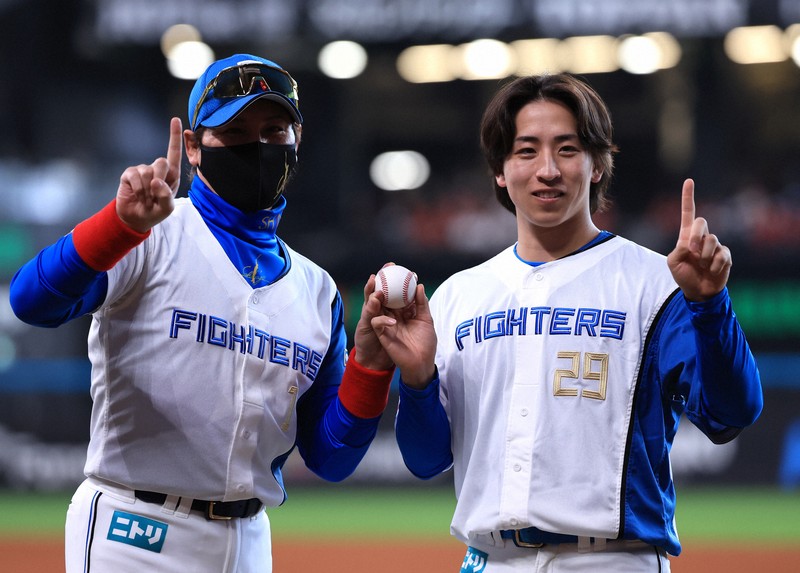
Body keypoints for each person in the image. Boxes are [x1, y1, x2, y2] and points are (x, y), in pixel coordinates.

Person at [9, 54, 396, 572]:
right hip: (134, 532)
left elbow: (331, 457)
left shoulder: (317, 290)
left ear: (296, 141)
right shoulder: (149, 235)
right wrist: (119, 225)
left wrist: (369, 365)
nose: (257, 145)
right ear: (193, 146)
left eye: (274, 128)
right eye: (234, 129)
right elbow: (32, 300)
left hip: (249, 541)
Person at [369, 74, 764, 571]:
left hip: (612, 560)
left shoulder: (655, 283)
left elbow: (732, 414)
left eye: (568, 149)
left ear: (598, 164)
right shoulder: (458, 297)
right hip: (490, 559)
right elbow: (425, 460)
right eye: (526, 151)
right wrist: (419, 379)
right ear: (499, 170)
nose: (548, 170)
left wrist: (710, 304)